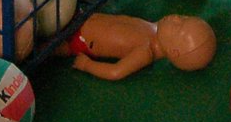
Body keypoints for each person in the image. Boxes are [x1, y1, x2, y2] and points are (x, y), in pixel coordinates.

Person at [57, 13, 218, 81]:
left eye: (178, 26)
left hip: (80, 40)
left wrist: (87, 65)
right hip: (83, 17)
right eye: (183, 17)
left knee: (52, 47)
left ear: (173, 52)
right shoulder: (155, 29)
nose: (175, 17)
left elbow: (116, 72)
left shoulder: (145, 52)